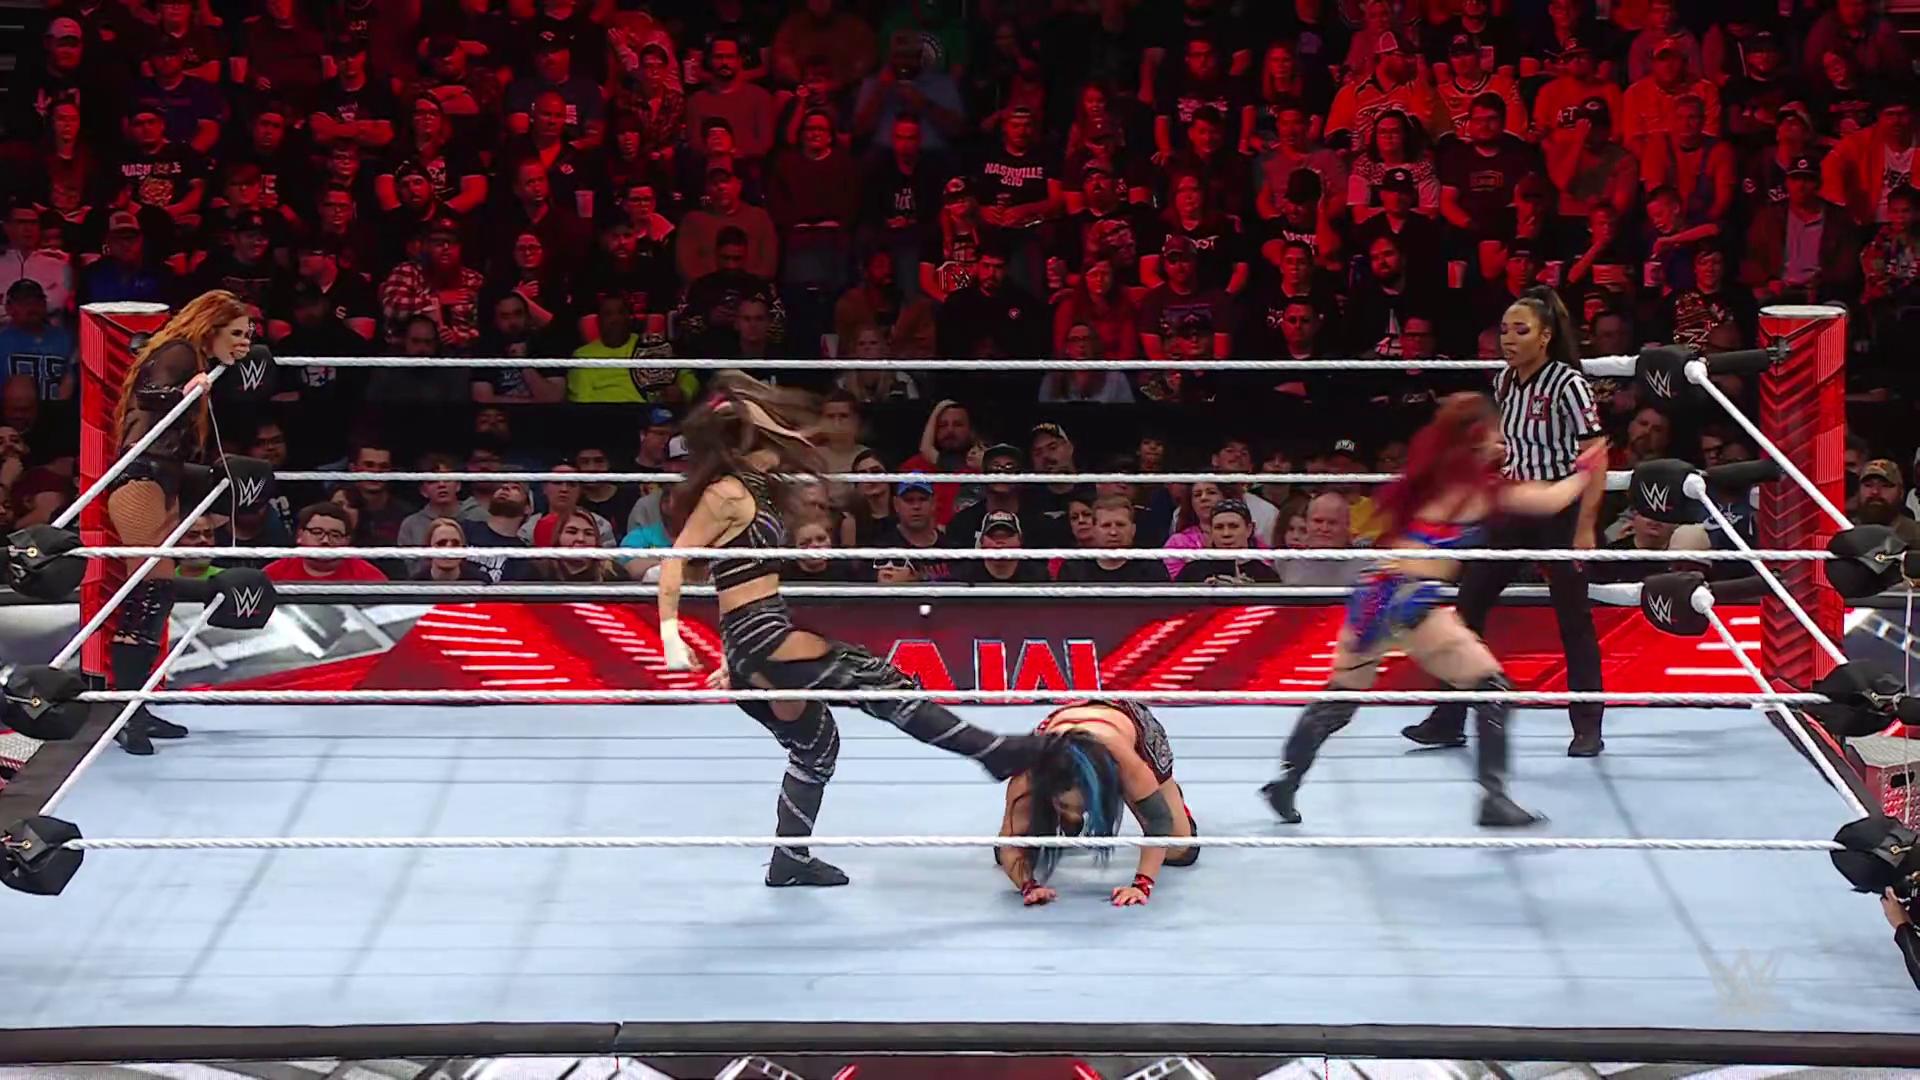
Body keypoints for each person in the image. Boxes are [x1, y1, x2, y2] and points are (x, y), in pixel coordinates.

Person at [658, 371, 1061, 888]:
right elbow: (675, 562)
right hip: (762, 637)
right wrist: (671, 636)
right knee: (883, 686)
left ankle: (789, 859)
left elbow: (789, 459)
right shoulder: (727, 492)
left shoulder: (760, 486)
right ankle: (992, 751)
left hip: (755, 636)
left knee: (816, 744)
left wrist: (731, 654)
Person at [1261, 392, 1607, 829]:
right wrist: (1585, 470)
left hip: (1375, 593)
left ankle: (1285, 781)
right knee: (1492, 688)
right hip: (1408, 599)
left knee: (1341, 700)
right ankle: (1494, 798)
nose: (1502, 443)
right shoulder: (1471, 491)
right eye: (1496, 435)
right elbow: (1548, 500)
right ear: (1476, 438)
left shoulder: (1430, 477)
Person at [1400, 285, 1610, 758]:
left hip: (1559, 508)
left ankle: (1588, 726)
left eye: (1521, 330)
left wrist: (1585, 526)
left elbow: (1595, 454)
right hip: (1515, 504)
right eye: (1505, 330)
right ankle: (1448, 719)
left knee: (1573, 618)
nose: (1509, 340)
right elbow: (1511, 444)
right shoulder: (1504, 382)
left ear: (1545, 336)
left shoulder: (1568, 384)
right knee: (1468, 604)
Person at [104, 289, 254, 756]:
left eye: (248, 334)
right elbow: (150, 392)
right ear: (212, 328)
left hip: (161, 479)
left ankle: (138, 708)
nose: (245, 343)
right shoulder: (180, 352)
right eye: (236, 333)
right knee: (148, 593)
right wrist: (185, 391)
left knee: (158, 594)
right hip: (140, 479)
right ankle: (125, 716)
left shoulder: (199, 361)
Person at [997, 701, 1198, 908]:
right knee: (1020, 848)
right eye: (1064, 806)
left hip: (1124, 722)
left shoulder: (1123, 760)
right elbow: (1010, 845)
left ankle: (1162, 792)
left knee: (1179, 850)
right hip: (1065, 723)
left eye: (1082, 807)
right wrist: (1028, 886)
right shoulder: (1030, 771)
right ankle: (1065, 820)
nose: (1076, 814)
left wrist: (1142, 884)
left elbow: (1158, 821)